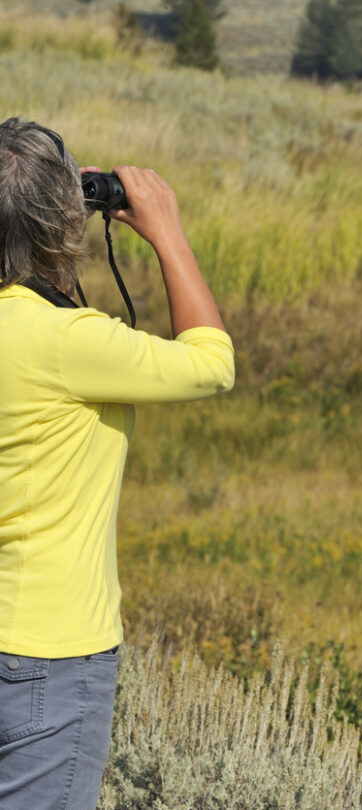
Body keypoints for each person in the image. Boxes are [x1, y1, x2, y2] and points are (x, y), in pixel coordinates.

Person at [0, 117, 235, 810]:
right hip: (51, 655)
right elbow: (211, 364)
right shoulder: (68, 343)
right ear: (63, 218)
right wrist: (165, 230)